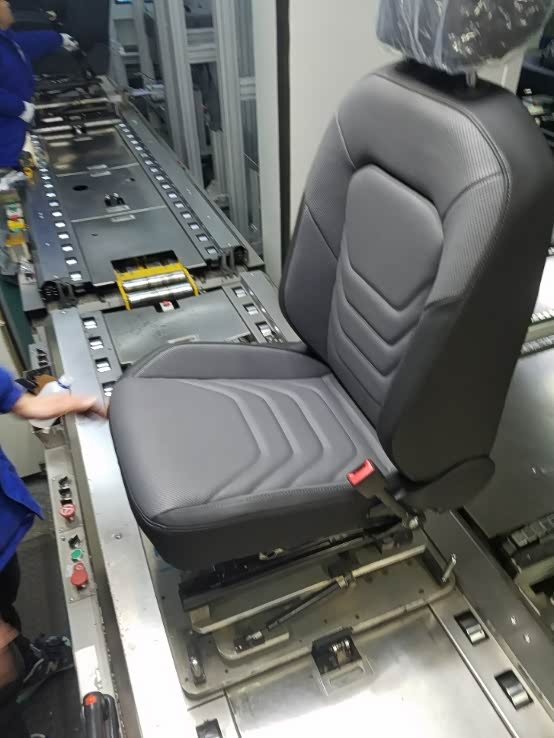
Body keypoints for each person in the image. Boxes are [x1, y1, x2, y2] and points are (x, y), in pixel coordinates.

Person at [0, 367, 106, 738]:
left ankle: (26, 657)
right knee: (2, 677)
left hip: (3, 536)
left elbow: (22, 402)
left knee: (7, 595)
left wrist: (83, 402)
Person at [0, 0, 79, 171]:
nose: (7, 4)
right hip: (6, 126)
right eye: (2, 2)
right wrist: (19, 108)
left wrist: (58, 39)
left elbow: (23, 43)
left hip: (15, 124)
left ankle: (25, 176)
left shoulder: (5, 38)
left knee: (25, 166)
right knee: (11, 170)